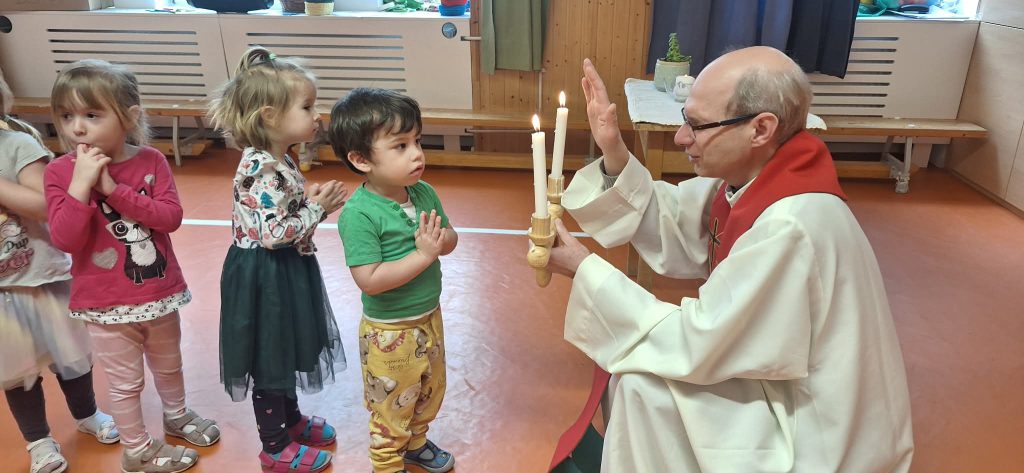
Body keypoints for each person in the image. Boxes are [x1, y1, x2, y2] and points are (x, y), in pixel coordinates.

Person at [546, 47, 915, 472]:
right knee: (640, 381)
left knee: (641, 388)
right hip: (781, 377)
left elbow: (698, 340)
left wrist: (584, 269)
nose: (682, 137)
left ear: (761, 129)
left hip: (815, 426)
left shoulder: (790, 226)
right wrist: (613, 150)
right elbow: (673, 219)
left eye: (697, 125)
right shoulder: (759, 177)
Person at [43, 59, 220, 473]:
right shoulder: (59, 172)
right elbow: (66, 239)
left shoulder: (151, 161)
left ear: (130, 116)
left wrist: (113, 189)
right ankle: (137, 449)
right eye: (66, 116)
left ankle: (176, 415)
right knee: (125, 383)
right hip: (104, 304)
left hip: (158, 291)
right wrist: (81, 186)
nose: (77, 128)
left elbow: (169, 218)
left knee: (169, 363)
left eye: (91, 115)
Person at [208, 46, 347, 473]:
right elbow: (274, 235)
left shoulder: (279, 158)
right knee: (269, 358)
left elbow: (278, 214)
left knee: (283, 348)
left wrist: (305, 201)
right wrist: (318, 208)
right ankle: (274, 446)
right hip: (264, 276)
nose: (316, 115)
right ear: (270, 117)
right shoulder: (262, 168)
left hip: (283, 271)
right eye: (306, 107)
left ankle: (290, 420)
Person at [329, 87, 458, 473]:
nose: (417, 153)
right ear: (360, 159)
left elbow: (449, 238)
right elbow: (370, 280)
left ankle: (415, 443)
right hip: (389, 334)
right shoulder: (360, 215)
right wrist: (423, 255)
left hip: (429, 318)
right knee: (391, 405)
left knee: (428, 391)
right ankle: (386, 463)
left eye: (417, 141)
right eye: (400, 146)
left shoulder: (423, 194)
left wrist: (441, 242)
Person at [1, 66, 119, 473]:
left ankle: (87, 415)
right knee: (15, 372)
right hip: (3, 290)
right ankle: (38, 440)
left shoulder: (15, 144)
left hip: (42, 275)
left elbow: (44, 205)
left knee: (72, 356)